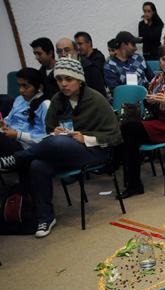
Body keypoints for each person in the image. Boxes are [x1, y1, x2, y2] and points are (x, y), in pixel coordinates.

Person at [0, 58, 122, 238]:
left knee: (56, 143)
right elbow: (49, 129)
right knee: (37, 166)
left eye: (68, 79)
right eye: (59, 79)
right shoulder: (58, 99)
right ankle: (45, 218)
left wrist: (85, 138)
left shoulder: (96, 99)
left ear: (79, 80)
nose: (63, 84)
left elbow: (115, 136)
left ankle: (17, 158)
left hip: (94, 152)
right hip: (64, 151)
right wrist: (55, 131)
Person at [117, 43, 165, 198]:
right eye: (163, 59)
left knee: (128, 129)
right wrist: (149, 101)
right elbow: (150, 107)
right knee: (129, 134)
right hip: (159, 122)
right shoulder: (157, 78)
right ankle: (133, 183)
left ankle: (132, 182)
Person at [0, 68, 50, 158]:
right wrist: (4, 124)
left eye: (25, 86)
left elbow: (48, 137)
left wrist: (18, 135)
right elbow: (9, 118)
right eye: (19, 86)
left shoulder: (45, 105)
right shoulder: (19, 99)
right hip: (10, 138)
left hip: (25, 147)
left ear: (39, 87)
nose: (21, 90)